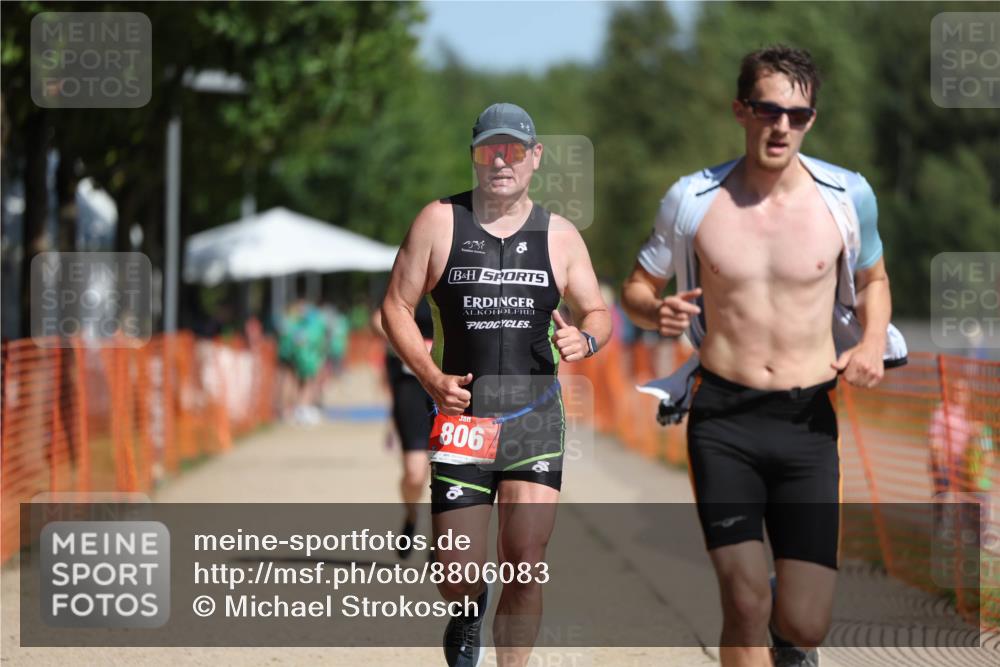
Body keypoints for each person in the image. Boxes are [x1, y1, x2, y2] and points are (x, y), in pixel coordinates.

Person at [621, 46, 908, 667]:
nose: (782, 126)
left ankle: (790, 637)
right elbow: (638, 289)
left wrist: (868, 344)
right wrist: (655, 312)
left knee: (805, 622)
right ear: (741, 110)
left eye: (799, 115)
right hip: (724, 416)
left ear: (811, 119)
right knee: (743, 600)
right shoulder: (692, 200)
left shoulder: (847, 197)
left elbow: (875, 282)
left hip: (808, 423)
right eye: (768, 110)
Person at [381, 102, 611, 667]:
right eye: (490, 150)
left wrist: (588, 339)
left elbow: (598, 311)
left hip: (533, 418)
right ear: (475, 158)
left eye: (513, 150)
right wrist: (431, 377)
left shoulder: (560, 236)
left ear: (535, 158)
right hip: (462, 415)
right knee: (456, 570)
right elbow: (395, 307)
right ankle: (467, 610)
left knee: (525, 560)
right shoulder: (439, 221)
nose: (501, 161)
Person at [371, 300, 435, 559]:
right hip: (411, 386)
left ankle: (439, 539)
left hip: (453, 387)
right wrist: (410, 344)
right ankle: (411, 515)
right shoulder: (410, 276)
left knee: (447, 473)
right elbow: (379, 319)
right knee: (414, 473)